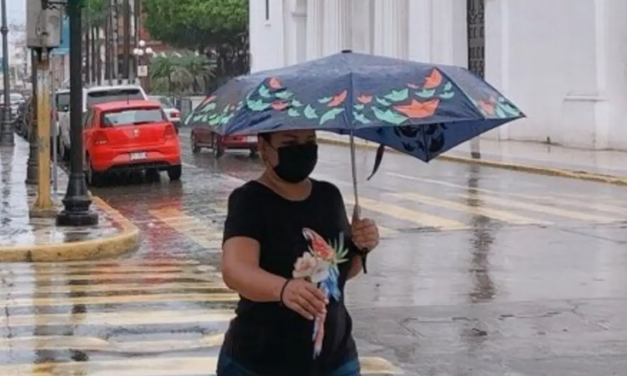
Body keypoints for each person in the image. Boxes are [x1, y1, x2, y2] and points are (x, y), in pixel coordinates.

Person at [217, 129, 380, 376]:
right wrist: (283, 289)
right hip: (260, 362)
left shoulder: (329, 197)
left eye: (310, 141)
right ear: (263, 147)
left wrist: (361, 245)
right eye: (290, 143)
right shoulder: (250, 201)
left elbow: (341, 272)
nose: (302, 149)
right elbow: (235, 270)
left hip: (336, 360)